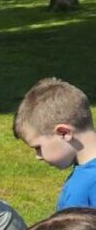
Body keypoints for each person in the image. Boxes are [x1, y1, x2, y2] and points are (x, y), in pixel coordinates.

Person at [13, 78, 96, 210]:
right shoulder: (85, 174)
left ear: (64, 133)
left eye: (38, 147)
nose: (38, 156)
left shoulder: (88, 183)